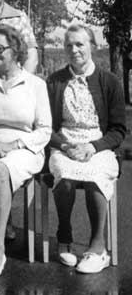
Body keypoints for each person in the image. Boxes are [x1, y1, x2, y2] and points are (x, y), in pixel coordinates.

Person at [0, 24, 51, 277]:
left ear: (15, 50)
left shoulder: (35, 84)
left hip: (24, 146)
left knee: (0, 169)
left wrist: (13, 145)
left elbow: (44, 129)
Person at [46, 24, 126, 274]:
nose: (74, 50)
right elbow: (45, 127)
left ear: (92, 45)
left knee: (95, 176)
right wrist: (65, 145)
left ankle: (97, 248)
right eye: (69, 45)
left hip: (98, 147)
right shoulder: (54, 81)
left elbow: (118, 130)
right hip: (65, 144)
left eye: (80, 44)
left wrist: (93, 147)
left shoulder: (110, 81)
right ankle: (64, 236)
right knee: (64, 174)